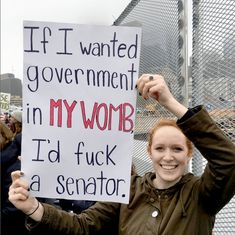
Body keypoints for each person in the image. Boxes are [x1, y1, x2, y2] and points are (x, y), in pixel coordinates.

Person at [8, 74, 235, 235]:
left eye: (177, 149)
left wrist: (170, 102)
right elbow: (83, 225)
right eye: (160, 148)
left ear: (189, 153)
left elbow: (228, 159)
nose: (168, 157)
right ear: (149, 152)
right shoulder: (128, 188)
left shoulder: (201, 194)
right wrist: (33, 208)